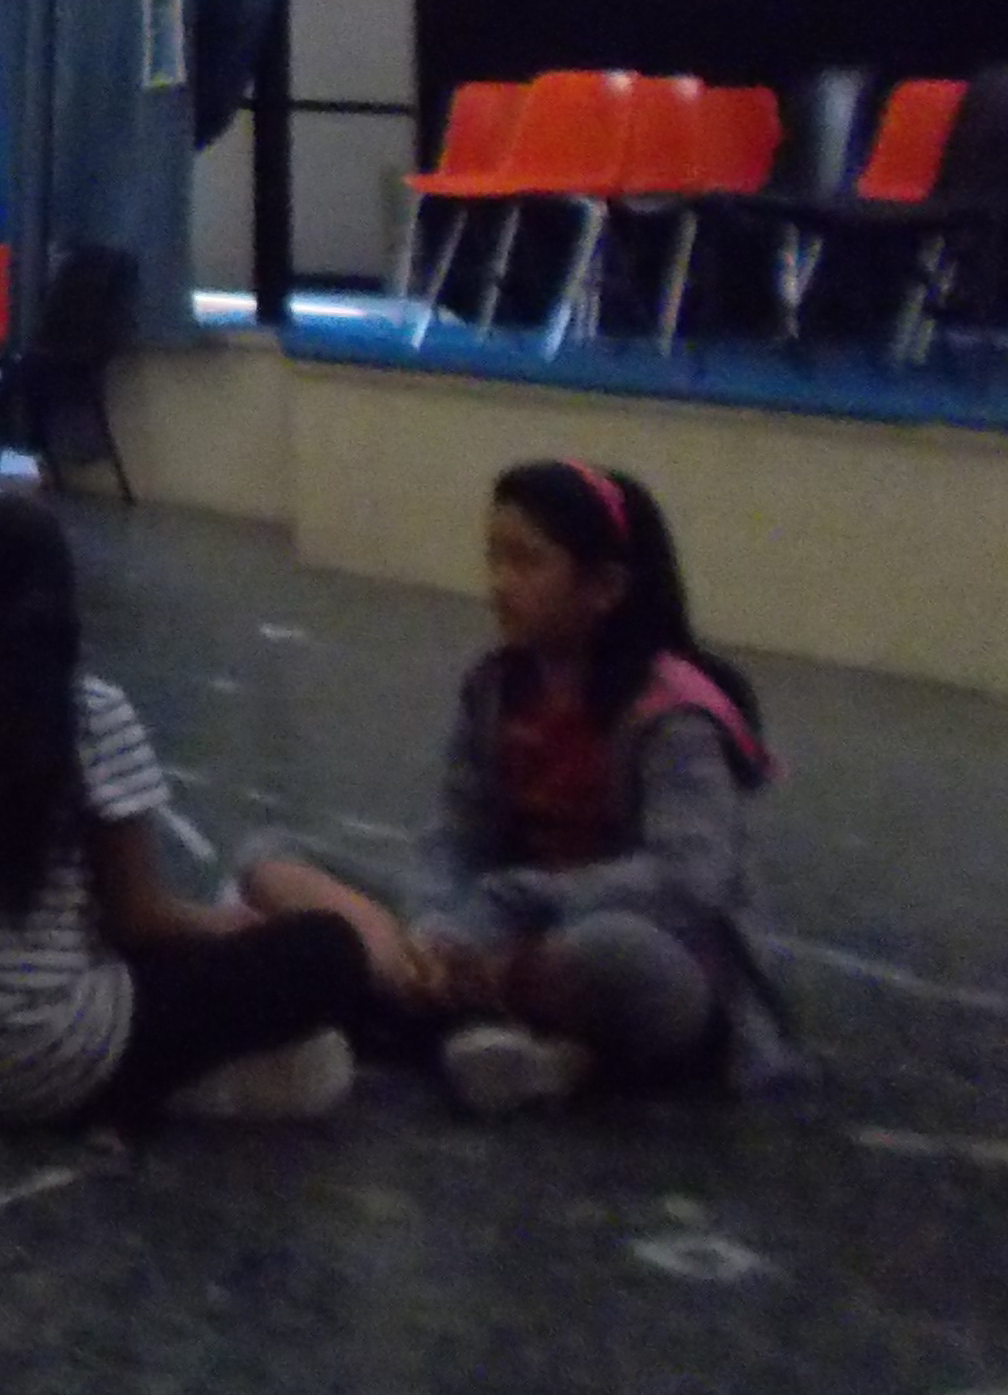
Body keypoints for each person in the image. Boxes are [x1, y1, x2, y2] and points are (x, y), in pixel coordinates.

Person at [240, 460, 795, 1111]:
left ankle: (448, 1011)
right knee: (269, 859)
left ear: (605, 587)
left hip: (626, 942)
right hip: (493, 929)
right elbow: (456, 834)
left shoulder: (674, 714)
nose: (499, 583)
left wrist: (522, 900)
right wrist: (440, 924)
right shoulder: (495, 687)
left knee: (613, 955)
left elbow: (688, 880)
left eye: (526, 562)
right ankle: (475, 1014)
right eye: (493, 558)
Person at [0, 493, 368, 1124]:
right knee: (330, 948)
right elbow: (137, 920)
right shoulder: (90, 713)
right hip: (42, 1059)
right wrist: (229, 926)